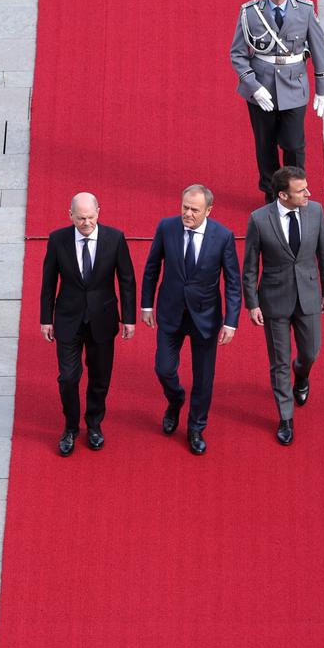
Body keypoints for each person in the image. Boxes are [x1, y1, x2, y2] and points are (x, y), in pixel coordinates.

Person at [141, 185, 242, 455]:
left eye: (194, 210)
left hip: (205, 318)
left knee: (203, 379)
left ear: (208, 210)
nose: (187, 213)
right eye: (184, 206)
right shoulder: (166, 227)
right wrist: (146, 305)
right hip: (170, 312)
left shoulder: (222, 236)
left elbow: (233, 281)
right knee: (163, 369)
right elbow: (152, 267)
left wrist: (231, 322)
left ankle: (196, 427)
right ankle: (175, 400)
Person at [242, 166, 324, 445]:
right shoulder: (259, 219)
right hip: (274, 300)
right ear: (283, 195)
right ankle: (285, 416)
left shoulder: (315, 211)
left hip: (308, 295)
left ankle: (302, 375)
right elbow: (250, 266)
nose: (308, 193)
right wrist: (252, 303)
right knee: (279, 362)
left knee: (310, 352)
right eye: (301, 190)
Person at [39, 192, 137, 457]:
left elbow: (126, 280)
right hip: (68, 319)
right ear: (70, 215)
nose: (86, 223)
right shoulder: (58, 239)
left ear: (98, 212)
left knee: (100, 377)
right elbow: (49, 282)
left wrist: (129, 318)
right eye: (81, 218)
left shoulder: (114, 238)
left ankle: (94, 424)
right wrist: (46, 319)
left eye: (91, 217)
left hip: (102, 319)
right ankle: (70, 427)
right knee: (68, 377)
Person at [230, 0, 324, 201]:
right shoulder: (250, 12)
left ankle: (296, 191)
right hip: (262, 88)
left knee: (294, 145)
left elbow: (318, 48)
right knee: (265, 145)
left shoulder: (304, 10)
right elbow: (238, 53)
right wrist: (253, 87)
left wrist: (322, 88)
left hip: (294, 86)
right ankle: (272, 195)